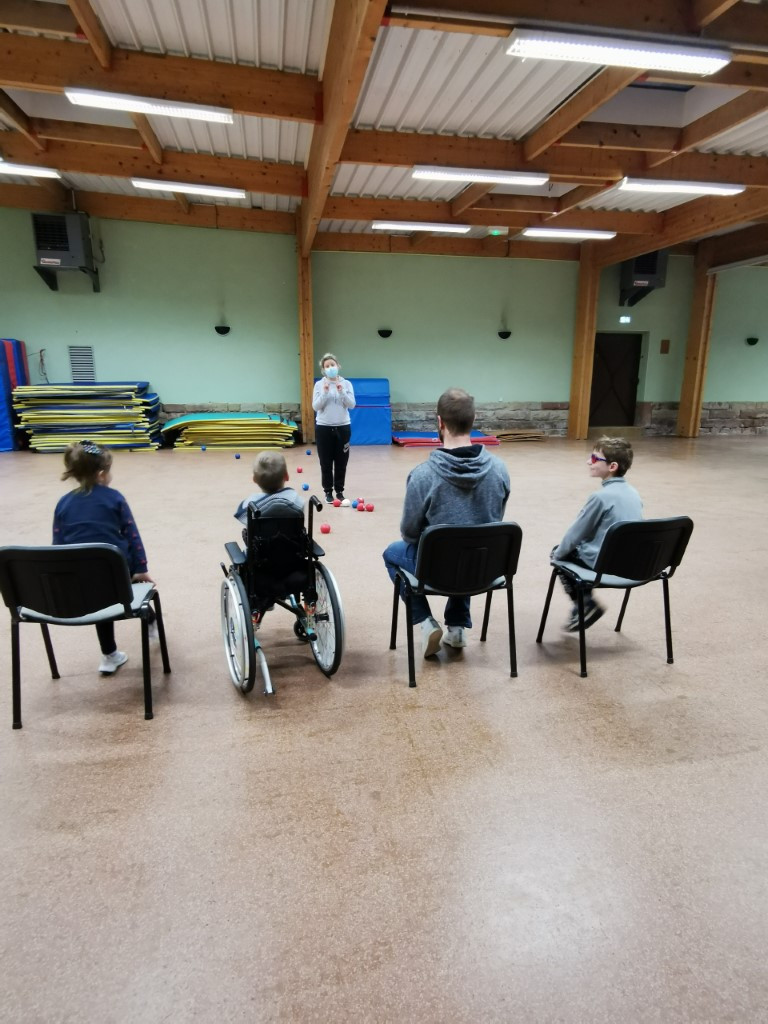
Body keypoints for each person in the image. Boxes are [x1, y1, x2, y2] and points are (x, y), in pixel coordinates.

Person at [383, 388, 510, 659]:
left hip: (435, 570)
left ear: (439, 422)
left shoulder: (422, 476)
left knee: (391, 554)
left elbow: (408, 533)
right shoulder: (500, 470)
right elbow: (493, 523)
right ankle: (457, 627)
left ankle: (425, 621)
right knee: (470, 538)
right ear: (473, 419)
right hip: (482, 569)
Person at [52, 440, 154, 676]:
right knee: (132, 584)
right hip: (117, 576)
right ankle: (150, 621)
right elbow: (132, 535)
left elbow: (58, 545)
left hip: (79, 584)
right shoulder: (115, 498)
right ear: (101, 475)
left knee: (97, 585)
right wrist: (141, 569)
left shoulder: (63, 504)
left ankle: (109, 655)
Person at [551, 435, 643, 631]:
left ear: (612, 466)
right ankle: (584, 604)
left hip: (603, 564)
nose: (588, 462)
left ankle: (584, 604)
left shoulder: (600, 498)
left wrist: (557, 555)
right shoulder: (635, 494)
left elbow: (575, 534)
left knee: (559, 553)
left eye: (594, 459)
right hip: (630, 564)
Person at [312, 352, 355, 504]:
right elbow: (316, 406)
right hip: (324, 428)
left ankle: (340, 491)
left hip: (343, 427)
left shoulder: (346, 384)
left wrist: (341, 391)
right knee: (325, 462)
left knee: (341, 461)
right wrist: (324, 393)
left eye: (332, 365)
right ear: (323, 370)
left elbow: (352, 404)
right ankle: (328, 491)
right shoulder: (319, 385)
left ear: (338, 366)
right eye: (327, 366)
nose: (330, 368)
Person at [233, 450, 304, 525]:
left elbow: (244, 520)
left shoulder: (250, 505)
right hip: (292, 536)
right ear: (286, 476)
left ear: (254, 479)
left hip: (260, 536)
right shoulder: (295, 499)